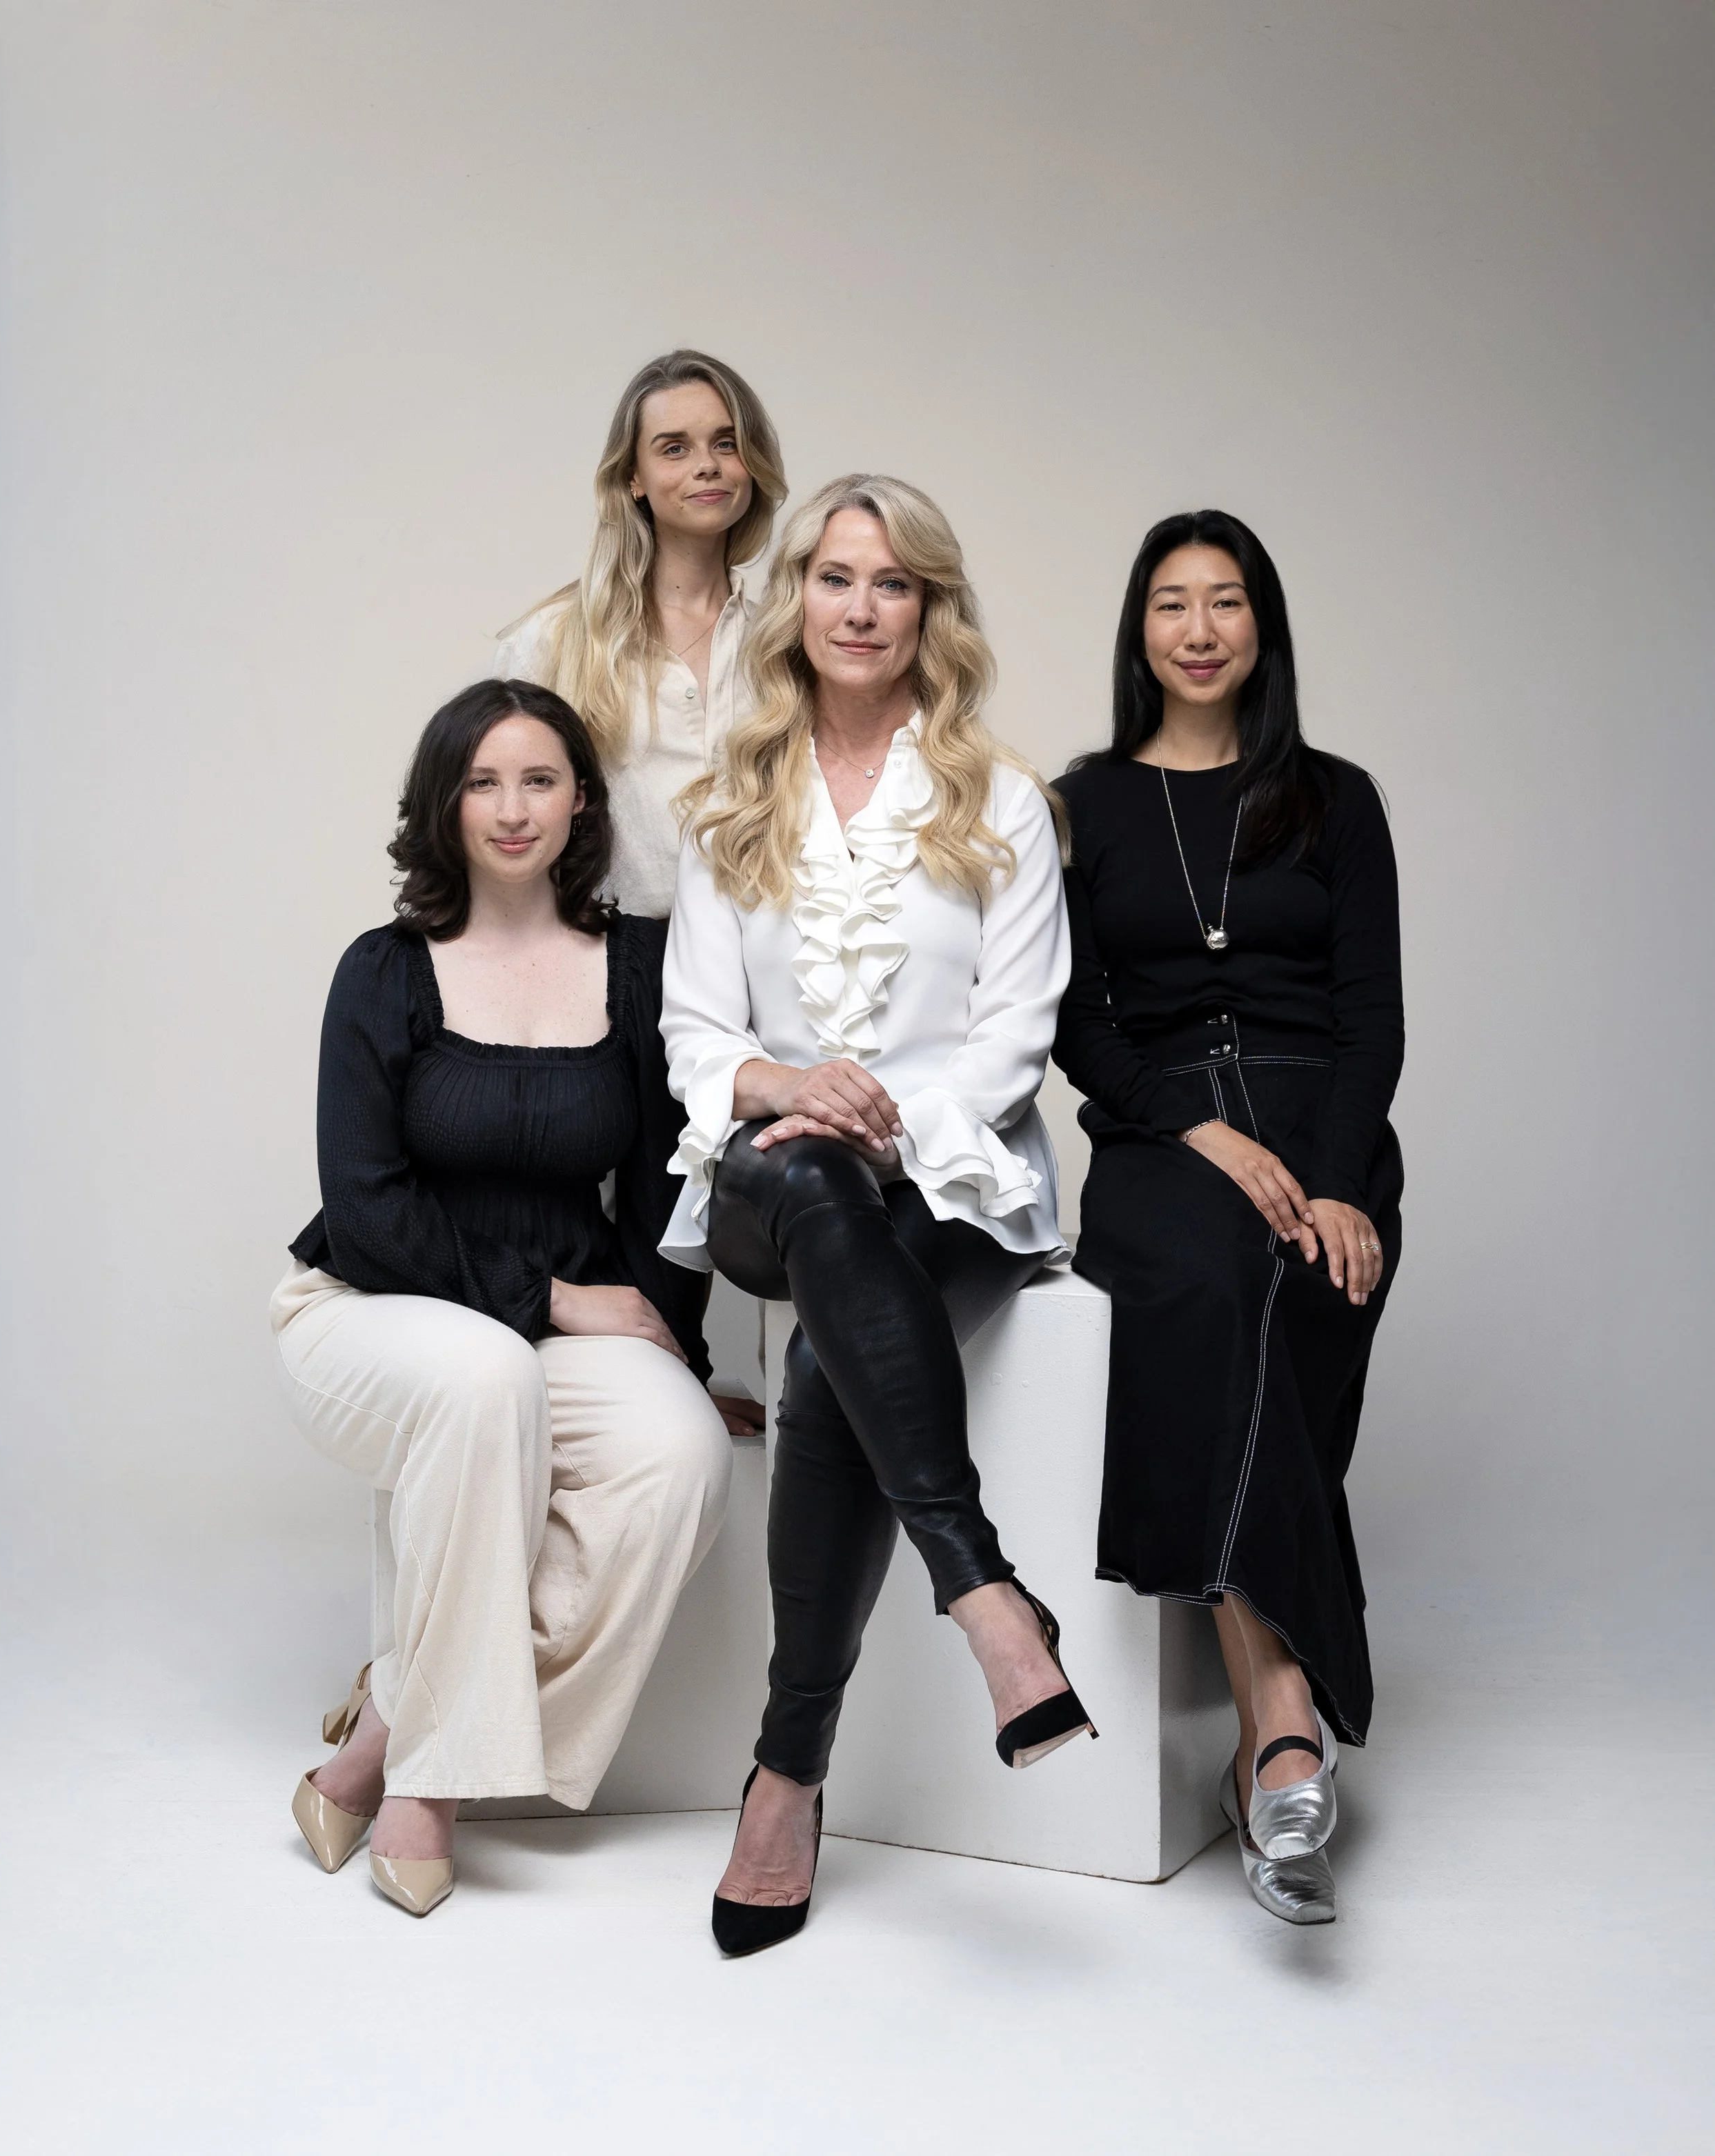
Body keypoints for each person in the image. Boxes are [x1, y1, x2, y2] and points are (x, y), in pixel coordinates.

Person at [662, 474, 1095, 1957]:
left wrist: (892, 1119)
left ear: (930, 612)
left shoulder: (1003, 802)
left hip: (959, 1186)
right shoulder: (729, 804)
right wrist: (794, 1085)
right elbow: (693, 1039)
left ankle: (784, 1778)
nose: (859, 608)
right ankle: (981, 1594)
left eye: (892, 583)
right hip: (768, 1179)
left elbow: (1011, 1035)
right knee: (801, 1174)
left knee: (827, 1368)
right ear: (794, 601)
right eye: (834, 578)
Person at [273, 679, 733, 1917]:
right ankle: (432, 1789)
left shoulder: (637, 967)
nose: (513, 808)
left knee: (679, 1459)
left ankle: (387, 1730)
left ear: (583, 800)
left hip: (552, 1319)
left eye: (540, 779)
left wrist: (675, 1351)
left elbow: (653, 1195)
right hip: (365, 1309)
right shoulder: (384, 970)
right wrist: (557, 1301)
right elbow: (367, 1209)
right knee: (490, 1373)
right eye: (483, 780)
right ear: (443, 802)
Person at [1052, 509, 1404, 1926]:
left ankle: (1261, 1692)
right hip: (1159, 1126)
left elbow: (1372, 1018)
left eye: (1225, 603)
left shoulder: (1335, 797)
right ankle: (1278, 1716)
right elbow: (1070, 1021)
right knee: (1202, 1284)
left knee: (1302, 1277)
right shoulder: (1074, 802)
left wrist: (1326, 1178)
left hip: (1320, 1119)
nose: (1197, 630)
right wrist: (1192, 1129)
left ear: (1261, 627)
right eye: (1168, 605)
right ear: (1137, 632)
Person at [494, 348, 787, 923]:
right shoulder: (552, 642)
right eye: (674, 447)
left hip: (767, 970)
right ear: (633, 477)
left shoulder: (784, 643)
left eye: (726, 443)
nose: (707, 465)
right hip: (609, 967)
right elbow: (501, 820)